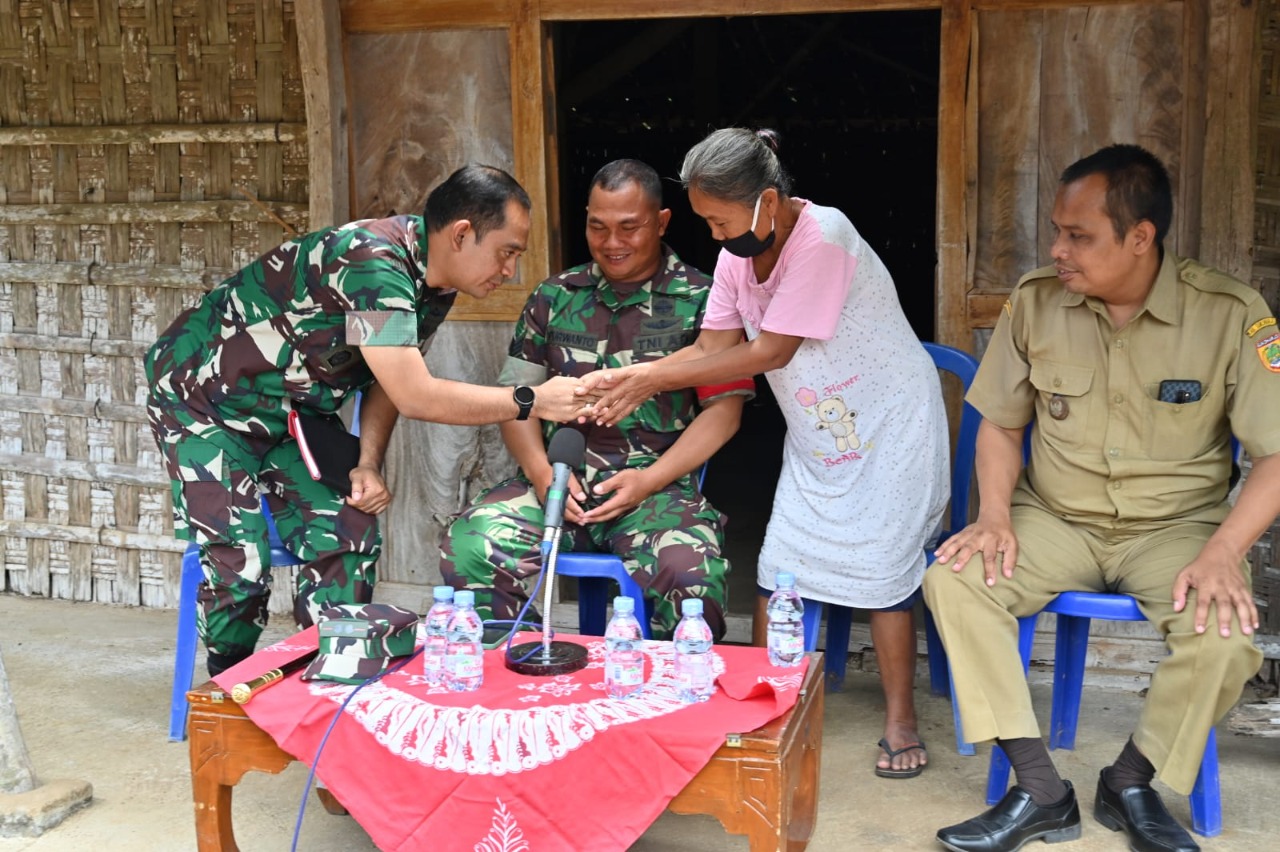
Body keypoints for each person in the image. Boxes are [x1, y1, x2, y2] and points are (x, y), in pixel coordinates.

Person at [924, 144, 1280, 852]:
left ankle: (1131, 779)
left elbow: (1275, 454)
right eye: (1056, 231)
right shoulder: (1037, 302)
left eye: (1078, 236)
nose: (1058, 249)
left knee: (1225, 640)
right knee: (954, 581)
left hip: (1175, 532)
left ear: (1141, 236)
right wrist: (994, 515)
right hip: (1055, 520)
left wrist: (1223, 552)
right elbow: (999, 420)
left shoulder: (1231, 315)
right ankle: (1038, 788)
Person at [580, 129, 950, 777]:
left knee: (884, 574)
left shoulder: (824, 238)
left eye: (721, 220)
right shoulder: (734, 256)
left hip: (891, 422)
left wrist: (649, 378)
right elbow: (708, 350)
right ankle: (768, 701)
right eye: (707, 223)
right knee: (783, 567)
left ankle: (900, 719)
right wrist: (632, 377)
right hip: (821, 432)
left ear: (769, 202)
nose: (716, 236)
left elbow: (768, 353)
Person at [146, 164, 591, 676]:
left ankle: (328, 670)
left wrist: (368, 462)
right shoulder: (372, 263)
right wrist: (531, 400)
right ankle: (230, 684)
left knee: (348, 526)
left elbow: (387, 379)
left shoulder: (434, 286)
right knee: (239, 561)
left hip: (289, 412)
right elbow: (416, 393)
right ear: (462, 234)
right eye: (507, 252)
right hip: (203, 401)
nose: (511, 270)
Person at [439, 159, 754, 640]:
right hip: (557, 486)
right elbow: (517, 401)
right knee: (471, 545)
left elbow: (724, 414)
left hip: (654, 492)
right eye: (598, 227)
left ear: (662, 222)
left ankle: (669, 702)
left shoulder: (704, 299)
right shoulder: (554, 296)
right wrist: (543, 477)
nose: (612, 243)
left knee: (691, 576)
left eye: (629, 228)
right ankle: (509, 674)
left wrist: (649, 481)